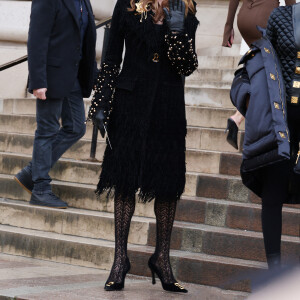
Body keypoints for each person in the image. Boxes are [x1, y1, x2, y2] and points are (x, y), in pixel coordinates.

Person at [88, 0, 198, 293]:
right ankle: (120, 260)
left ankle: (162, 258)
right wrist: (100, 104)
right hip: (130, 104)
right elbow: (111, 59)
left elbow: (187, 66)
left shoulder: (185, 8)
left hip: (168, 107)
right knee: (124, 182)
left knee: (167, 184)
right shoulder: (126, 4)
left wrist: (176, 32)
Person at [230, 3, 300, 269]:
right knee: (273, 192)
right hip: (280, 121)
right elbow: (261, 59)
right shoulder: (280, 17)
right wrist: (246, 102)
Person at [14, 0, 98, 208]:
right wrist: (38, 81)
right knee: (47, 129)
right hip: (50, 76)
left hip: (73, 77)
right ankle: (40, 188)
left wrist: (92, 74)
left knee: (76, 127)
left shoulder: (84, 2)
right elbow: (36, 38)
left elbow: (84, 39)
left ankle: (31, 172)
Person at [223, 0, 295, 149]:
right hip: (265, 18)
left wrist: (228, 26)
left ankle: (238, 117)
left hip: (244, 19)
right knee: (274, 71)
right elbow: (290, 2)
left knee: (260, 68)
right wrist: (294, 23)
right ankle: (247, 122)